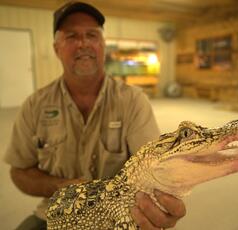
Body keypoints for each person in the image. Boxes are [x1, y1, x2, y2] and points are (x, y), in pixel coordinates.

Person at [4, 1, 186, 229]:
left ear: (103, 45)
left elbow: (153, 168)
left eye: (92, 35)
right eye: (71, 36)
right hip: (57, 214)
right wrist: (60, 186)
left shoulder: (132, 101)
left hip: (119, 215)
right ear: (56, 48)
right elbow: (19, 171)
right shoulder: (34, 106)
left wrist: (163, 198)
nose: (83, 43)